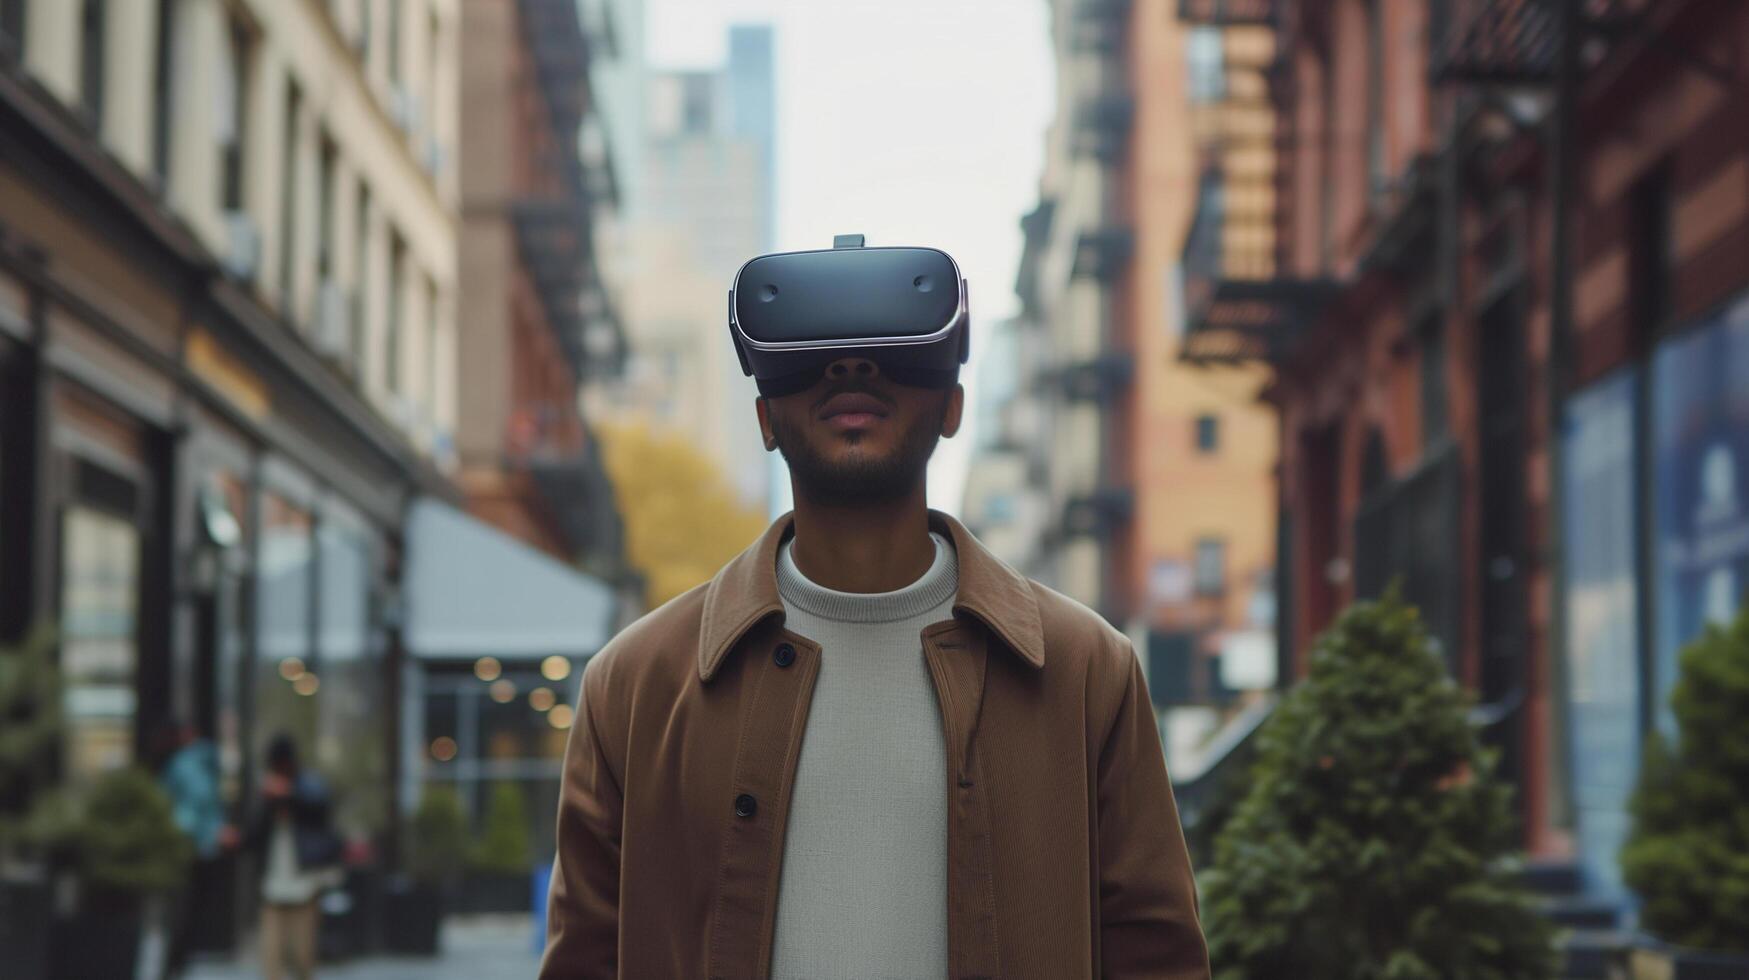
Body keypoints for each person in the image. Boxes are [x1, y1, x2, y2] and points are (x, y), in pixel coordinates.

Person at [543, 240, 1209, 978]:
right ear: (765, 419)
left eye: (893, 354)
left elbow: (1156, 957)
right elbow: (584, 959)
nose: (851, 368)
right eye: (814, 358)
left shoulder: (1084, 671)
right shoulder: (637, 686)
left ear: (952, 407)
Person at [243, 734, 339, 980]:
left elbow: (320, 807)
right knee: (270, 957)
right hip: (272, 888)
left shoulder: (307, 785)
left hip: (304, 886)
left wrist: (287, 794)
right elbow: (256, 835)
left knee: (302, 956)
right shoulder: (268, 799)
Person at [151, 720, 231, 979]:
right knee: (189, 906)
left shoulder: (184, 765)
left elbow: (173, 802)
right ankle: (178, 959)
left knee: (182, 907)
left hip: (187, 843)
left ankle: (175, 961)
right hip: (201, 844)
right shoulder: (206, 763)